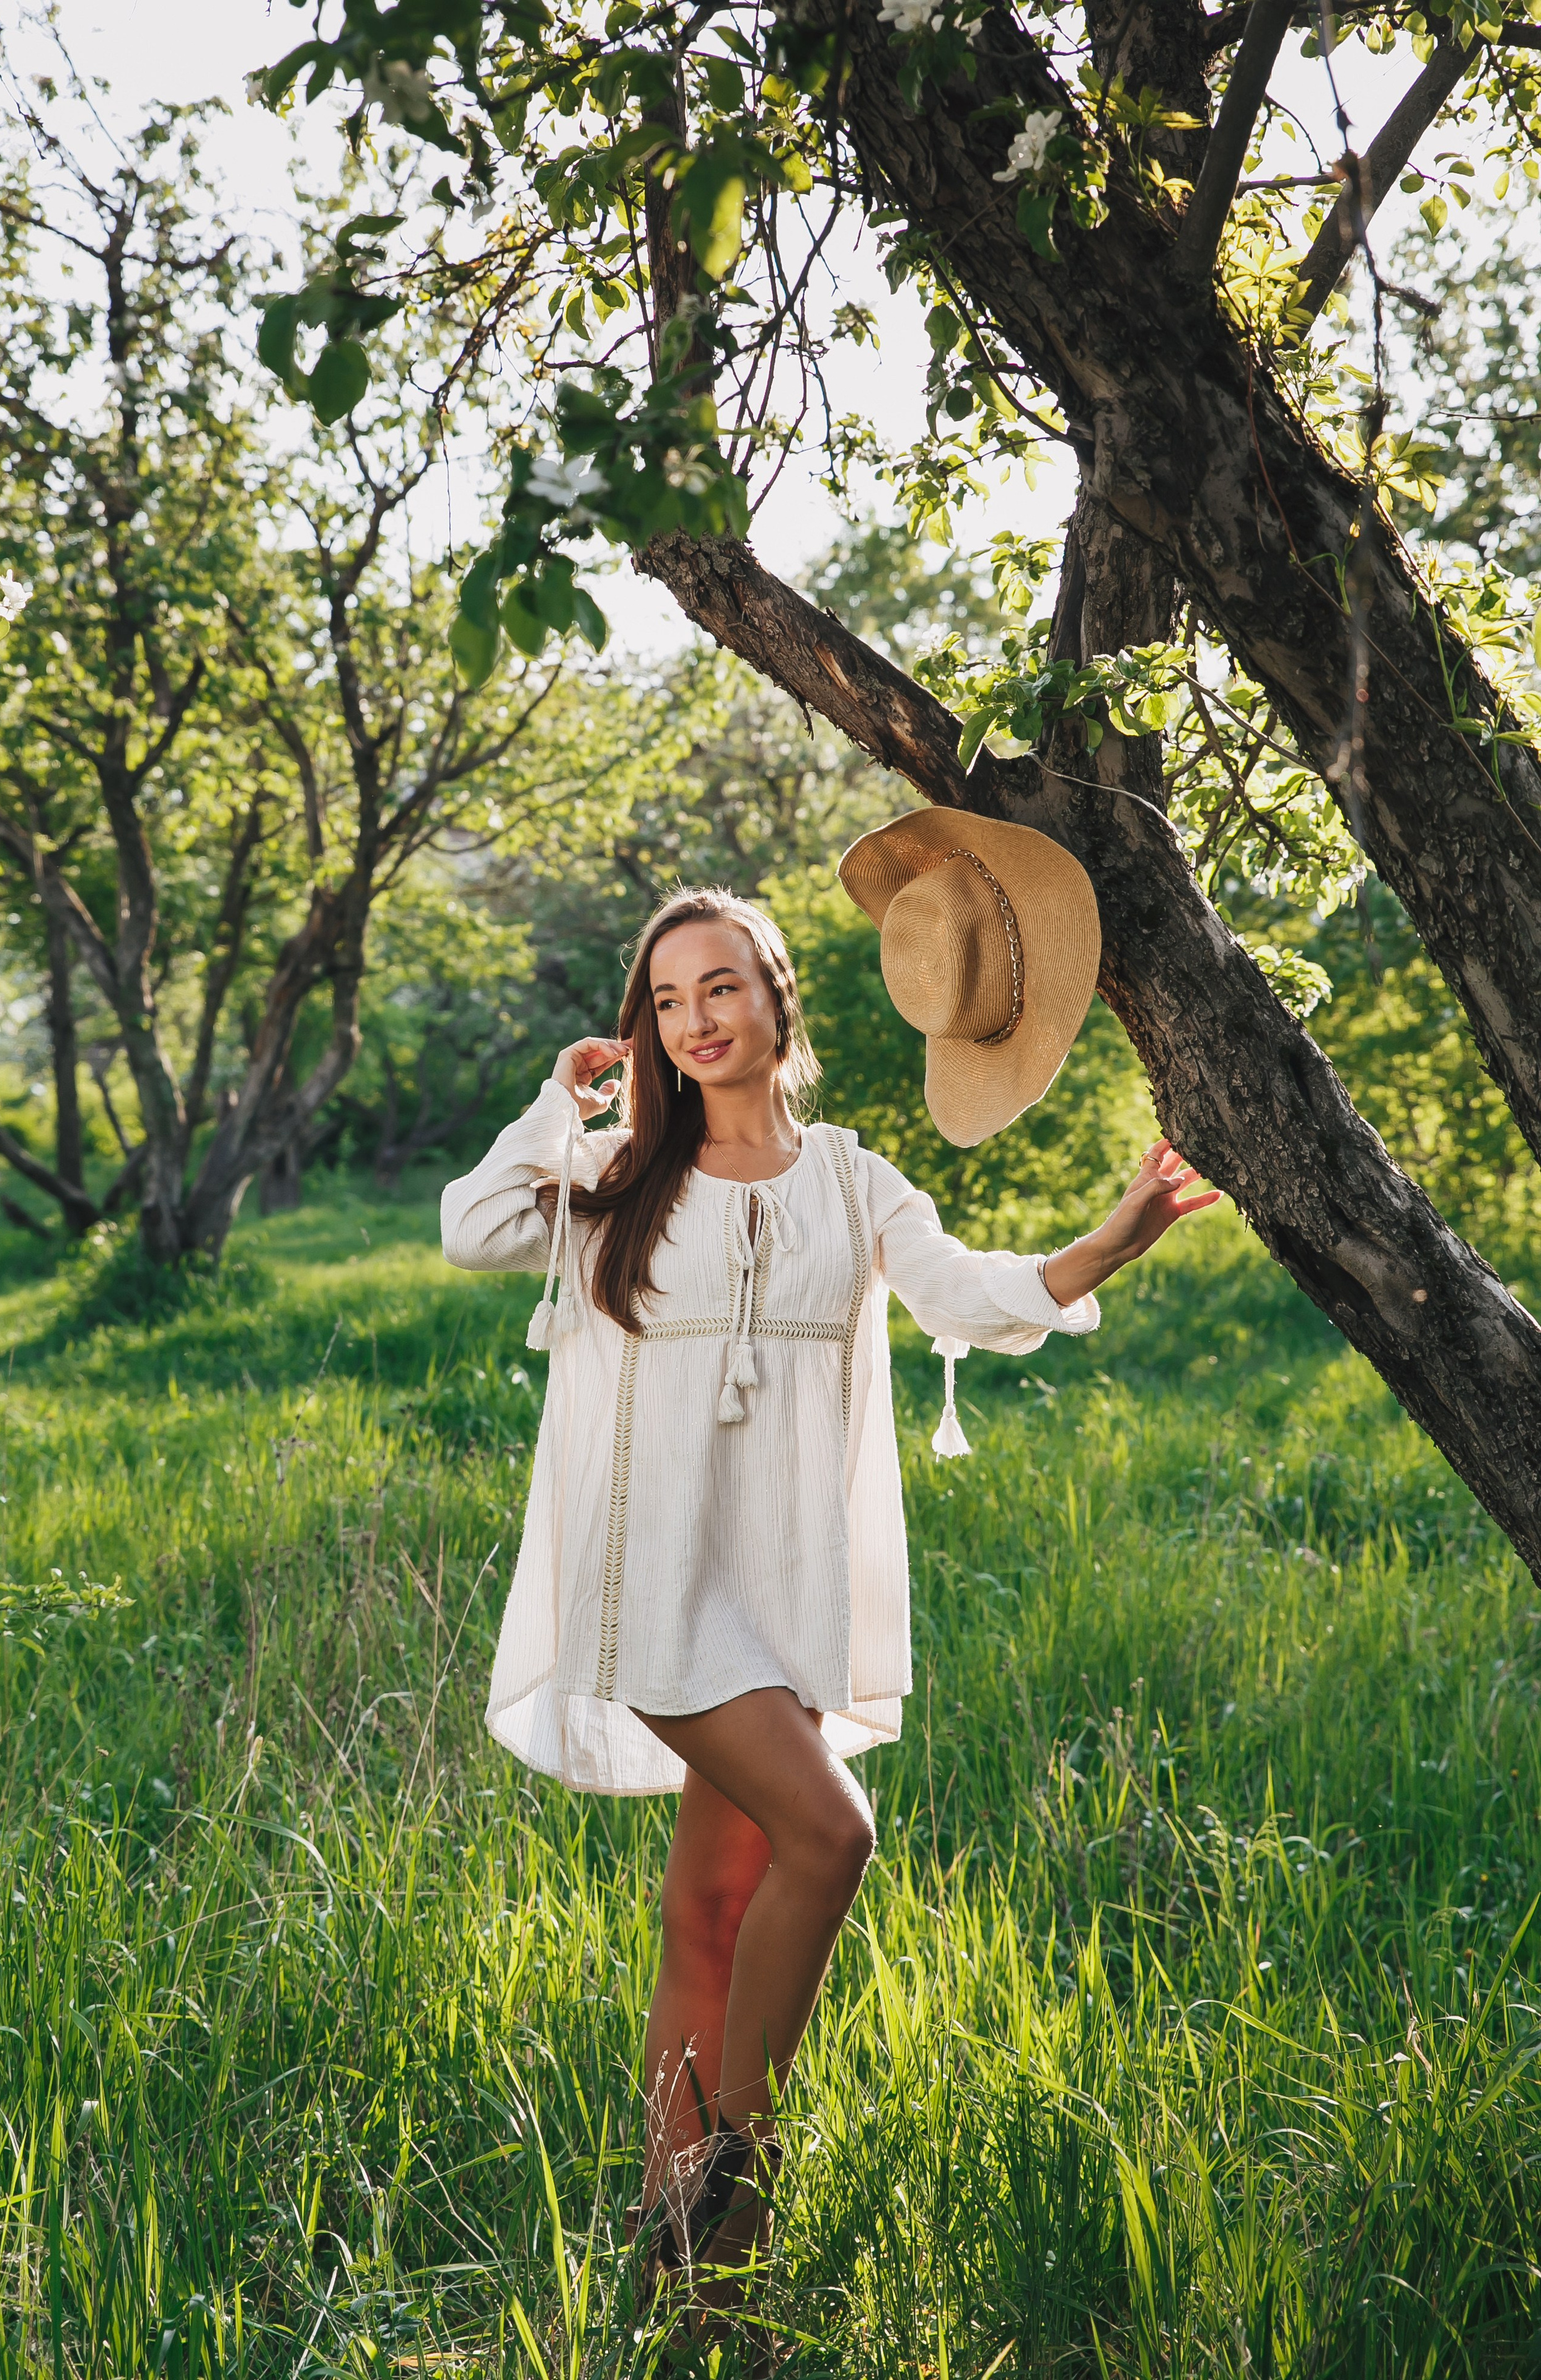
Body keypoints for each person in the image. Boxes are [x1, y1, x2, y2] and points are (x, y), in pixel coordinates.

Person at [439, 816, 1217, 2355]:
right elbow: (470, 1229)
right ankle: (731, 2181)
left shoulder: (854, 1182)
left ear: (778, 1003)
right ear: (649, 1028)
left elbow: (974, 1297)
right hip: (655, 1590)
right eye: (666, 999)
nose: (694, 1017)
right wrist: (559, 1099)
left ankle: (689, 2285)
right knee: (831, 1831)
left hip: (782, 1589)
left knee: (711, 1912)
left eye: (720, 985)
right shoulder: (615, 1175)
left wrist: (1108, 1240)